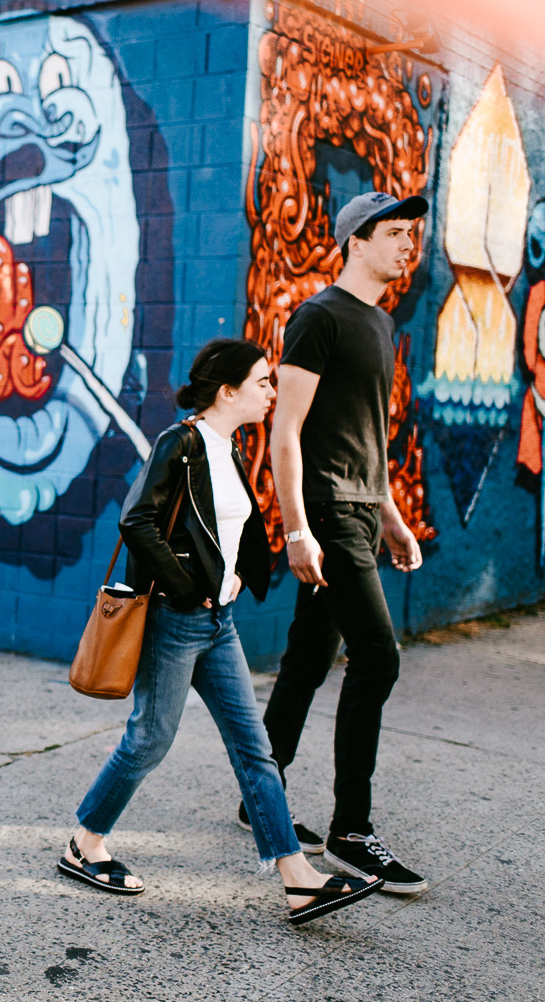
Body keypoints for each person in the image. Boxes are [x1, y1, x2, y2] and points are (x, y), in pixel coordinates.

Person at [59, 339, 384, 926]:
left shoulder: (229, 446)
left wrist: (229, 584)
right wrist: (186, 585)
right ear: (227, 390)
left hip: (220, 622)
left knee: (255, 751)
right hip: (177, 621)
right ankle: (85, 842)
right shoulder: (180, 444)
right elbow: (136, 520)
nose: (270, 392)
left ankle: (298, 880)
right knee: (149, 740)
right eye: (262, 382)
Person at [248, 191, 430, 895]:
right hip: (324, 510)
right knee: (377, 657)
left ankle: (257, 793)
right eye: (393, 234)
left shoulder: (381, 324)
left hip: (360, 506)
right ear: (356, 240)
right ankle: (352, 832)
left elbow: (370, 438)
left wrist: (391, 514)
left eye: (411, 235)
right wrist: (296, 527)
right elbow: (286, 431)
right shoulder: (318, 317)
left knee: (309, 657)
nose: (407, 246)